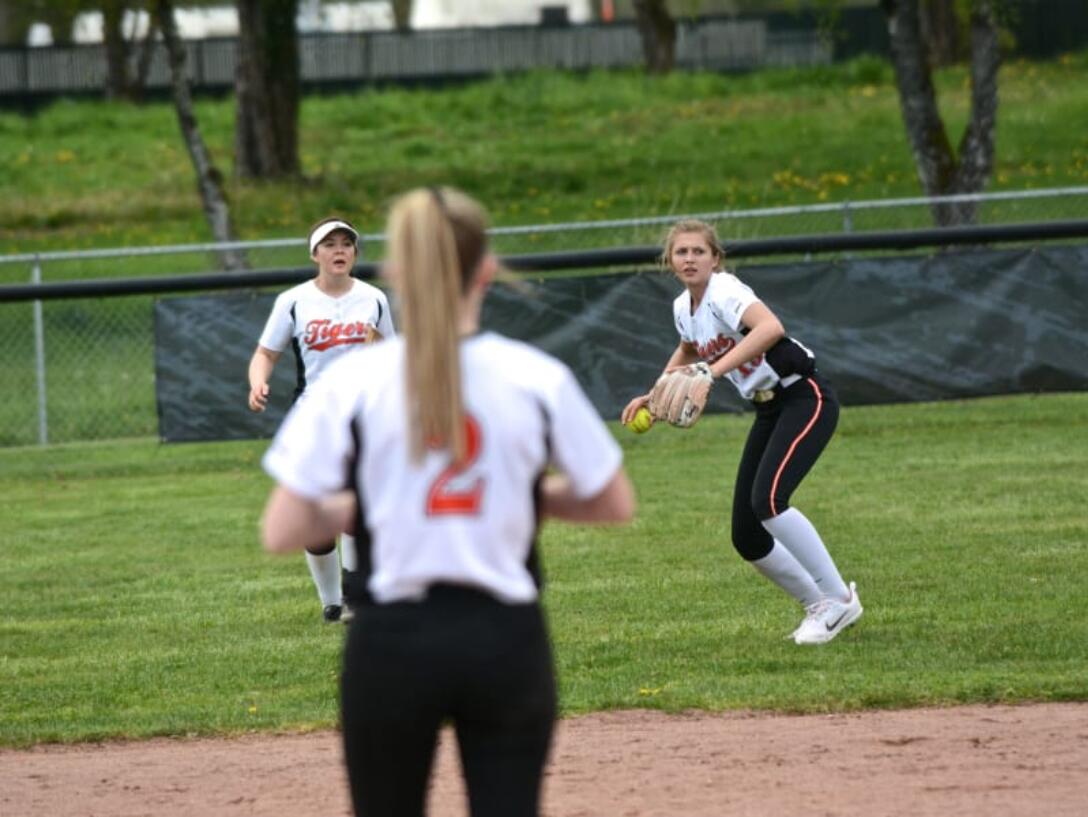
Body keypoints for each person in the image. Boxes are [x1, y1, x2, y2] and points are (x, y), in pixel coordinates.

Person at [259, 186, 635, 817]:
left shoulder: (350, 382)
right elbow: (612, 501)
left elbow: (284, 526)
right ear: (486, 271)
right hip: (505, 637)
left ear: (397, 276)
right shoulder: (534, 375)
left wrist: (376, 501)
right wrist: (517, 493)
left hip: (393, 639)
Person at [620, 218, 861, 646]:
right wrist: (656, 397)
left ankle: (840, 598)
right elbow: (689, 349)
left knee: (769, 500)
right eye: (681, 252)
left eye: (699, 251)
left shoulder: (724, 291)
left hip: (804, 396)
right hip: (767, 410)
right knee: (747, 535)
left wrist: (710, 374)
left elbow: (771, 329)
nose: (690, 258)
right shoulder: (684, 307)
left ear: (716, 258)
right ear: (669, 261)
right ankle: (819, 607)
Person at [247, 216, 396, 623]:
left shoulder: (373, 299)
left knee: (352, 504)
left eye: (346, 244)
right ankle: (332, 601)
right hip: (312, 418)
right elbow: (265, 353)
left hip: (361, 416)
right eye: (329, 244)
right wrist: (258, 383)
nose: (340, 250)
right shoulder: (294, 301)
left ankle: (354, 596)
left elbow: (390, 354)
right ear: (315, 254)